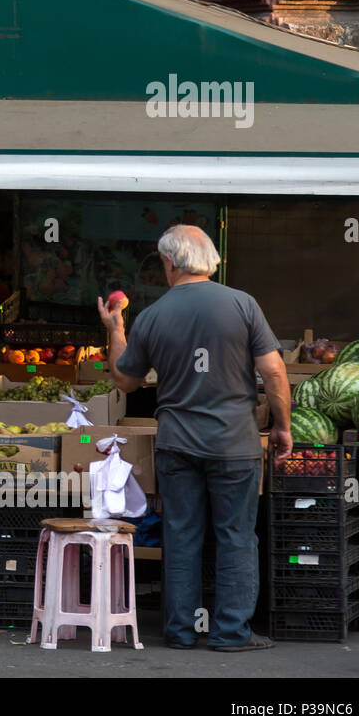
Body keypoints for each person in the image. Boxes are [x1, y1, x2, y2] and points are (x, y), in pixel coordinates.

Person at [96, 224, 291, 653]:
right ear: (209, 261)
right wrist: (282, 426)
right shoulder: (242, 304)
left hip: (177, 445)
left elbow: (125, 382)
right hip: (234, 445)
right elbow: (274, 371)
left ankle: (180, 631)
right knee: (236, 537)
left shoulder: (151, 316)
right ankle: (231, 633)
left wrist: (115, 329)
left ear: (169, 262)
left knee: (181, 535)